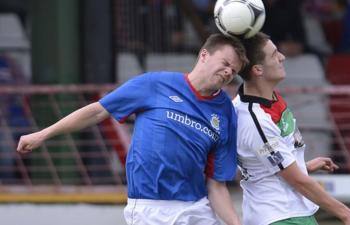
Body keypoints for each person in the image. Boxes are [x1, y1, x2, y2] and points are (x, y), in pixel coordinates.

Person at [16, 33, 248, 225]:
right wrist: (43, 134)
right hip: (151, 210)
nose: (229, 72)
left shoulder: (226, 112)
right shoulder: (155, 84)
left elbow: (216, 185)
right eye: (226, 63)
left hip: (197, 208)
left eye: (234, 71)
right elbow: (97, 111)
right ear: (204, 55)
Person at [234, 32, 350, 225]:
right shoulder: (255, 121)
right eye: (274, 54)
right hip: (280, 216)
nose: (282, 57)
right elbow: (296, 180)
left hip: (290, 211)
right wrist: (348, 215)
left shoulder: (267, 97)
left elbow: (267, 164)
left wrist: (305, 166)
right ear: (258, 69)